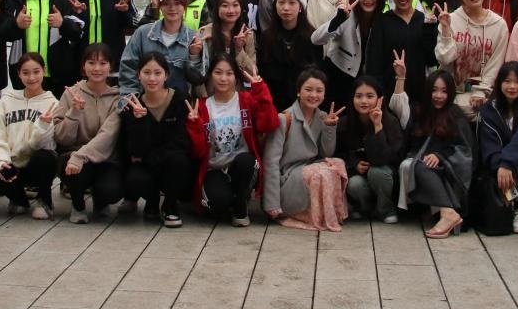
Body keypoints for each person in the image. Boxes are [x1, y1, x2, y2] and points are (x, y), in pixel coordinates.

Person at [187, 53, 279, 225]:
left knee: (246, 161)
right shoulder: (202, 106)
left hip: (241, 165)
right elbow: (198, 152)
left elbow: (269, 124)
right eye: (218, 72)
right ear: (210, 75)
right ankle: (230, 198)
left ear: (236, 77)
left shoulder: (246, 100)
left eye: (229, 73)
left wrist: (260, 89)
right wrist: (194, 126)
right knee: (218, 203)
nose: (223, 78)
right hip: (214, 168)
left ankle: (240, 204)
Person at [261, 68, 348, 231]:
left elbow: (326, 154)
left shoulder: (322, 116)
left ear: (324, 94)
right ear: (298, 91)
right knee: (320, 172)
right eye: (308, 89)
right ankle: (304, 213)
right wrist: (271, 203)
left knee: (337, 164)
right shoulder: (284, 119)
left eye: (319, 91)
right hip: (288, 177)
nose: (313, 95)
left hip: (310, 170)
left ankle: (329, 214)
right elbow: (270, 163)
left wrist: (329, 127)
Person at [118, 51, 196, 227]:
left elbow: (181, 143)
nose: (152, 78)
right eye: (146, 72)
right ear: (138, 75)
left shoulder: (180, 100)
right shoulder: (132, 106)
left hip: (171, 163)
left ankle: (170, 205)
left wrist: (148, 156)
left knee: (179, 162)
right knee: (134, 177)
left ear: (166, 75)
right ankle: (152, 201)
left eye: (157, 73)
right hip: (149, 166)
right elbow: (132, 150)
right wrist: (140, 122)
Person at [0, 0, 86, 97]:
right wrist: (16, 25)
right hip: (24, 77)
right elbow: (2, 33)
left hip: (58, 77)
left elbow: (78, 34)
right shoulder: (16, 1)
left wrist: (63, 23)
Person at [397, 70, 474, 238]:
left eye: (444, 91)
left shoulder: (455, 115)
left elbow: (464, 151)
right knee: (416, 165)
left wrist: (440, 156)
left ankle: (447, 214)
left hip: (449, 169)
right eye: (434, 90)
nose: (439, 96)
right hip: (424, 165)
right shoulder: (420, 112)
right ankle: (447, 213)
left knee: (421, 167)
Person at [53, 43, 124, 224]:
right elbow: (62, 137)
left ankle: (101, 201)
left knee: (112, 189)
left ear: (111, 66)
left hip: (105, 159)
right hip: (73, 157)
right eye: (91, 63)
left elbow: (108, 135)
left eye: (103, 63)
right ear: (83, 66)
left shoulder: (118, 98)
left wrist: (81, 156)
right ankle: (78, 205)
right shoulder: (71, 93)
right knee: (73, 167)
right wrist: (75, 112)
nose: (97, 68)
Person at [0, 52, 59, 220]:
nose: (31, 77)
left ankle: (44, 200)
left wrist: (43, 126)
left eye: (36, 72)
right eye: (26, 73)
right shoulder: (6, 101)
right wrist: (2, 162)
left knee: (45, 158)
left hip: (36, 164)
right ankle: (19, 200)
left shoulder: (53, 103)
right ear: (18, 74)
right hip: (12, 163)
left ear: (44, 71)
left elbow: (48, 145)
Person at [477, 61, 518, 235]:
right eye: (507, 81)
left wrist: (507, 163)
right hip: (496, 165)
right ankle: (509, 202)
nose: (512, 86)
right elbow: (489, 143)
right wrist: (501, 164)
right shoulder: (489, 110)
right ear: (499, 83)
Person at [434, 0, 509, 119]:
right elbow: (444, 59)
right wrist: (446, 30)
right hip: (450, 96)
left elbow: (495, 64)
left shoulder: (499, 25)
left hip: (483, 98)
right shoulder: (450, 20)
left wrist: (481, 91)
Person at [311, 0, 384, 111]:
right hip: (337, 78)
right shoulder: (347, 14)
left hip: (366, 83)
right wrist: (338, 19)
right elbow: (316, 39)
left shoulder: (383, 20)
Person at [340, 75, 404, 223]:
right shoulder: (345, 123)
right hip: (359, 175)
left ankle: (386, 209)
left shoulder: (391, 122)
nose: (364, 101)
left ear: (379, 99)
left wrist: (377, 126)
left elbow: (385, 158)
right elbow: (339, 153)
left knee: (378, 172)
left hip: (385, 175)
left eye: (370, 96)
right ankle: (366, 209)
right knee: (354, 184)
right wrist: (354, 164)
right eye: (358, 96)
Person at [120, 0, 199, 97]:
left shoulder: (194, 38)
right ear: (160, 6)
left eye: (177, 3)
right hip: (143, 102)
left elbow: (198, 78)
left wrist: (194, 56)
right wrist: (132, 98)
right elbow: (128, 68)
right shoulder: (142, 34)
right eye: (166, 3)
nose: (172, 8)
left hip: (179, 104)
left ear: (185, 5)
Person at [370, 0, 438, 98]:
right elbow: (374, 62)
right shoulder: (382, 21)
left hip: (419, 91)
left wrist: (430, 29)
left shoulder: (423, 20)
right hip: (390, 91)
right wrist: (378, 94)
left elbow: (431, 60)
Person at [256, 0, 321, 111]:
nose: (286, 8)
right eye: (281, 2)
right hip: (274, 104)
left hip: (305, 104)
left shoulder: (312, 37)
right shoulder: (267, 37)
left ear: (300, 6)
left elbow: (317, 73)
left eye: (292, 3)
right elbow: (263, 73)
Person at [190, 0, 256, 94]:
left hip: (237, 96)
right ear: (216, 8)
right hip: (210, 95)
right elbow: (197, 72)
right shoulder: (204, 33)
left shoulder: (247, 35)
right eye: (225, 6)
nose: (231, 10)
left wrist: (239, 50)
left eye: (235, 5)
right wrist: (204, 98)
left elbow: (252, 75)